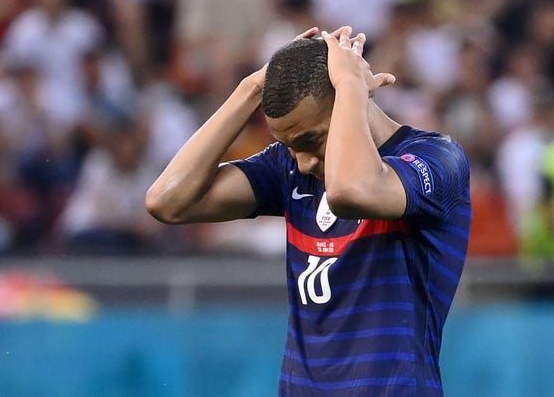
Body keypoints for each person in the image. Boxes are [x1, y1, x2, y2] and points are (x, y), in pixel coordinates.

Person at [146, 26, 471, 396]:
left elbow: (351, 189)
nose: (300, 162)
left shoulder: (438, 159)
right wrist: (250, 88)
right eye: (288, 145)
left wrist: (350, 86)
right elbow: (167, 200)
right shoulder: (288, 168)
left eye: (310, 140)